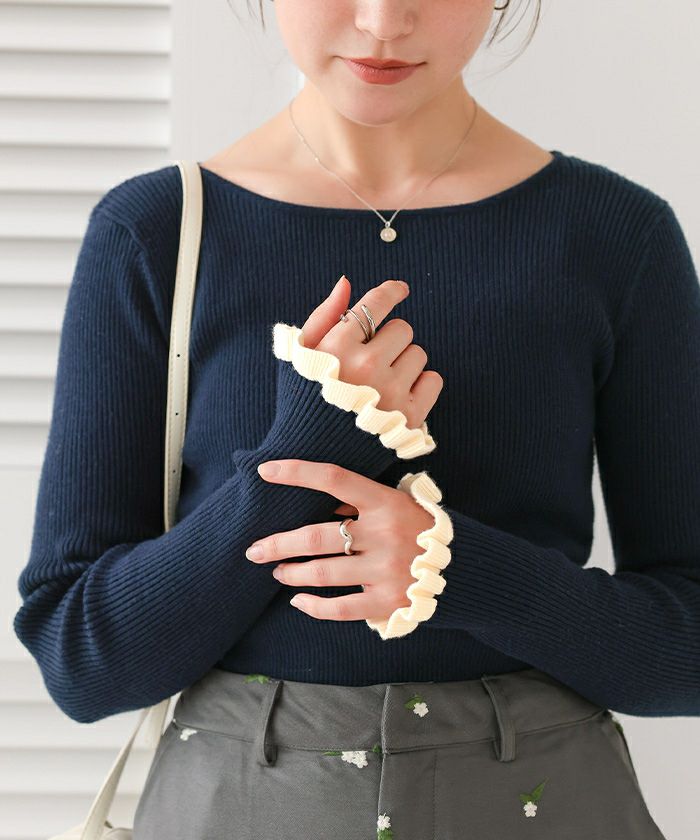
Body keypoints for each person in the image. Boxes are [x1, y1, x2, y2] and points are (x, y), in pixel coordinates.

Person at [14, 1, 698, 838]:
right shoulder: (156, 232)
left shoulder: (614, 236)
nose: (382, 21)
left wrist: (453, 568)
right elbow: (82, 662)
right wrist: (308, 452)